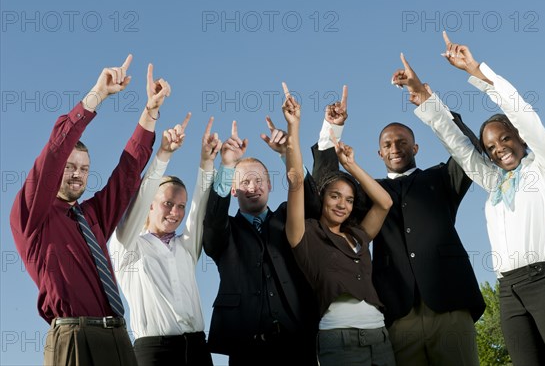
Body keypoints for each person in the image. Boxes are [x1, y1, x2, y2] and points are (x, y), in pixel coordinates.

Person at [396, 31, 545, 366]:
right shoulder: (496, 184)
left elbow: (523, 113)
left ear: (519, 138)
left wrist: (477, 73)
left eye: (505, 138)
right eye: (491, 147)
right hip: (510, 291)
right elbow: (459, 147)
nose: (499, 148)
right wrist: (425, 98)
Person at [10, 55, 170, 366]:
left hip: (119, 336)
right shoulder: (31, 217)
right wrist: (96, 96)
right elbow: (54, 151)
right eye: (69, 167)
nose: (76, 174)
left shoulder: (91, 217)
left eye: (83, 169)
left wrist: (150, 113)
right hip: (74, 337)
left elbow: (126, 173)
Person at [312, 85, 485, 366]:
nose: (395, 148)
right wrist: (332, 127)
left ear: (415, 147)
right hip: (397, 313)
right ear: (379, 153)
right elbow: (326, 184)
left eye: (402, 142)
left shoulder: (441, 179)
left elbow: (468, 147)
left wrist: (431, 104)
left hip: (450, 305)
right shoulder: (369, 193)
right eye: (388, 144)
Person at [282, 82, 395, 366]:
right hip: (338, 339)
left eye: (348, 199)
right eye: (335, 196)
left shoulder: (358, 235)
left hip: (379, 336)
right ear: (322, 199)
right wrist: (294, 126)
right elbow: (296, 179)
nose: (342, 204)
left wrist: (352, 165)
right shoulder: (305, 235)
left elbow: (385, 203)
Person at [202, 119, 320, 366]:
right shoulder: (225, 231)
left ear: (269, 185)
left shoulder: (288, 216)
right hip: (246, 347)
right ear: (233, 190)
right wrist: (227, 165)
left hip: (298, 342)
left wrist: (288, 155)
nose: (252, 187)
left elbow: (312, 204)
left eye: (258, 181)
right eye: (244, 182)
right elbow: (213, 222)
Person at [109, 114, 221, 365]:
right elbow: (139, 200)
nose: (176, 212)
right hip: (154, 353)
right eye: (168, 204)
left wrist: (206, 163)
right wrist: (163, 154)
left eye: (180, 206)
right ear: (149, 205)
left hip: (197, 349)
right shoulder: (127, 245)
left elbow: (199, 208)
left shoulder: (185, 247)